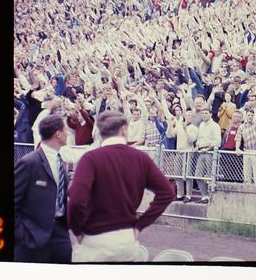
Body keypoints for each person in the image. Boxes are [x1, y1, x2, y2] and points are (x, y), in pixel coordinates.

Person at [67, 111, 175, 262]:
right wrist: (140, 225)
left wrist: (77, 229)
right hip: (127, 239)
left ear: (99, 131)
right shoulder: (141, 158)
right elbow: (168, 192)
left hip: (94, 239)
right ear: (124, 129)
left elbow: (76, 200)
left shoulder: (90, 159)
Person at [14, 115, 72, 263]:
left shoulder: (61, 160)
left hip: (60, 233)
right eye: (66, 130)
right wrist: (22, 235)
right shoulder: (29, 163)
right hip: (33, 237)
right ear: (58, 134)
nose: (68, 133)